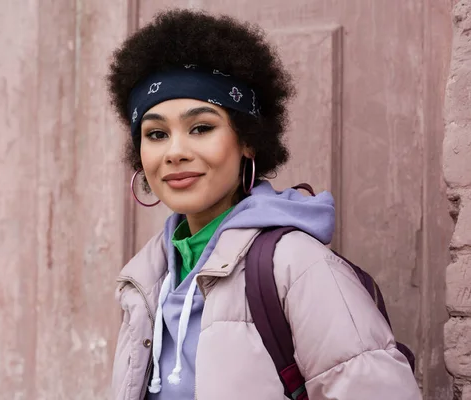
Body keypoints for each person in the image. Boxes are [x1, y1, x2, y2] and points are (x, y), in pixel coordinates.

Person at [106, 9, 421, 400]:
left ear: (247, 140)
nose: (175, 152)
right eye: (156, 133)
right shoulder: (146, 277)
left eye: (201, 127)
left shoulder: (296, 266)